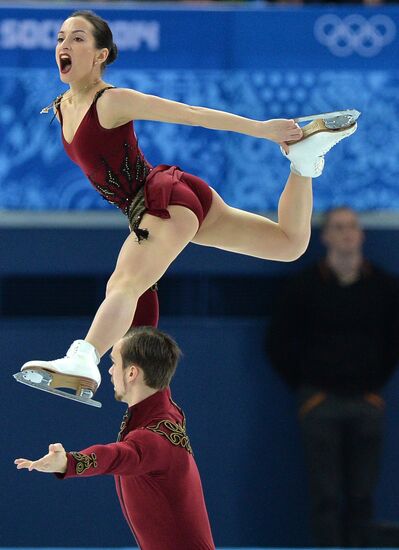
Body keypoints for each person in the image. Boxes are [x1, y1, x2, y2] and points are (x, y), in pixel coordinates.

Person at [17, 10, 357, 404]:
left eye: (77, 38)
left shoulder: (112, 101)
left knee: (123, 285)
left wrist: (262, 129)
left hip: (161, 199)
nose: (64, 45)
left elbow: (191, 115)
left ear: (100, 55)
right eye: (60, 38)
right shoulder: (60, 106)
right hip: (173, 200)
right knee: (289, 245)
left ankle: (83, 359)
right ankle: (303, 163)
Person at [267, 206, 399, 547]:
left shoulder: (384, 287)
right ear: (325, 236)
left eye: (352, 226)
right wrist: (308, 388)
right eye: (338, 227)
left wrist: (374, 384)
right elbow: (277, 343)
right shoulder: (305, 287)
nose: (346, 233)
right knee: (325, 496)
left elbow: (393, 342)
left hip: (367, 400)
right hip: (319, 401)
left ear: (361, 234)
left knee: (362, 496)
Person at [15, 326, 215, 550]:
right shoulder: (165, 408)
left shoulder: (153, 440)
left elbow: (115, 456)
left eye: (113, 363)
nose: (109, 371)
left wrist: (69, 462)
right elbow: (149, 350)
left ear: (131, 373)